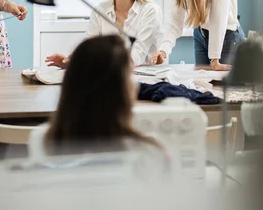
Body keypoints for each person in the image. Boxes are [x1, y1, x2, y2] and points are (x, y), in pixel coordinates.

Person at [28, 35, 168, 171]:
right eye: (130, 75)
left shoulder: (41, 140)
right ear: (120, 90)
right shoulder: (148, 153)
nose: (136, 85)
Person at [45, 0, 161, 68]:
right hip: (108, 77)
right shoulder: (100, 10)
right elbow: (90, 48)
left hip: (144, 81)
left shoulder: (149, 11)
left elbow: (135, 57)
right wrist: (71, 63)